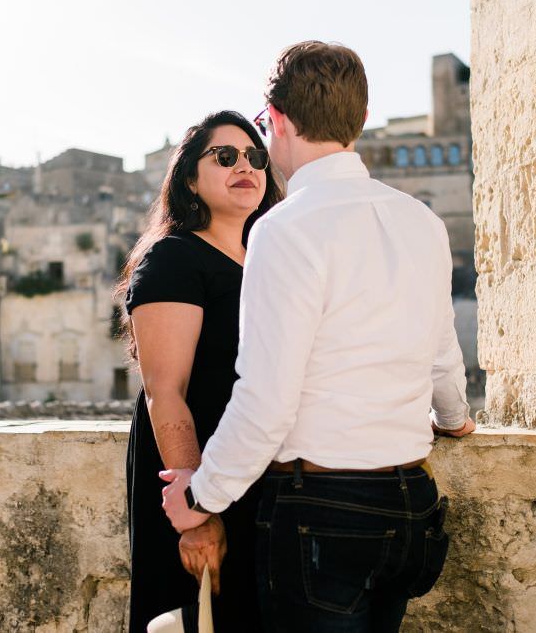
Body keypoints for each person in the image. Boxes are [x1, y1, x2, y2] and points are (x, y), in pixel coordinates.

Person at [161, 41, 476, 632]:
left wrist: (201, 497)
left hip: (323, 515)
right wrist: (456, 419)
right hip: (411, 502)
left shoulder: (284, 229)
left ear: (277, 119)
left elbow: (266, 400)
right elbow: (442, 357)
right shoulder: (423, 222)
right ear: (361, 119)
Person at [117, 110, 283, 631]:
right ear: (189, 178)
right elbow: (164, 392)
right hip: (197, 481)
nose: (245, 167)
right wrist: (196, 513)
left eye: (256, 157)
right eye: (225, 156)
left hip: (253, 477)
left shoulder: (268, 261)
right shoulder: (173, 258)